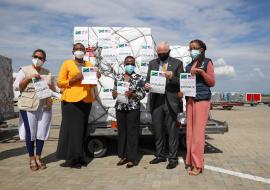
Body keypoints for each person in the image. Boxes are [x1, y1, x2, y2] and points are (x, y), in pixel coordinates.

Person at [56, 43, 101, 168]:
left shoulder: (89, 65)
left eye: (81, 49)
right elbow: (60, 83)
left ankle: (80, 157)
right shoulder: (67, 64)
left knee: (82, 130)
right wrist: (73, 80)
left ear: (85, 52)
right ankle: (71, 159)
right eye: (77, 49)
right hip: (70, 101)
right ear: (73, 51)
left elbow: (91, 85)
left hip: (86, 101)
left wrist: (96, 78)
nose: (79, 51)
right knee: (70, 130)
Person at [13, 49, 55, 171]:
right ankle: (31, 158)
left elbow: (54, 87)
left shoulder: (47, 72)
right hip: (28, 105)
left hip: (44, 106)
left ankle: (38, 157)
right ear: (32, 57)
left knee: (41, 132)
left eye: (41, 58)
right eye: (36, 56)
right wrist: (29, 78)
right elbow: (17, 86)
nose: (38, 59)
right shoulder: (24, 70)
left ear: (44, 60)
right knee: (30, 133)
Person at [145, 42, 184, 169]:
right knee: (158, 131)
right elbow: (147, 80)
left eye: (164, 53)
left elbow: (182, 82)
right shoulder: (152, 63)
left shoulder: (177, 63)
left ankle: (173, 158)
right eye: (159, 53)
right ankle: (160, 155)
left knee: (172, 131)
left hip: (170, 102)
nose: (161, 55)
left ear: (169, 51)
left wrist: (173, 77)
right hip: (156, 101)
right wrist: (146, 85)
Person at [185, 39, 215, 176]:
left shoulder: (207, 62)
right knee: (190, 133)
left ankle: (198, 165)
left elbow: (212, 82)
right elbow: (185, 83)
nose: (192, 50)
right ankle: (190, 160)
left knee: (198, 134)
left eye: (194, 48)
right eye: (190, 48)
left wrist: (202, 73)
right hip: (190, 100)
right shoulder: (188, 65)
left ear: (202, 49)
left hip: (202, 100)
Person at [112, 56, 146, 168]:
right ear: (124, 64)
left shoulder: (139, 78)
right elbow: (114, 90)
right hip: (120, 108)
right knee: (122, 133)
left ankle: (132, 158)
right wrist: (114, 93)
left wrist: (133, 94)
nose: (129, 65)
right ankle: (123, 156)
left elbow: (142, 94)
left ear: (135, 65)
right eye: (127, 63)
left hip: (133, 109)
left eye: (131, 63)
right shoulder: (118, 77)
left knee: (132, 133)